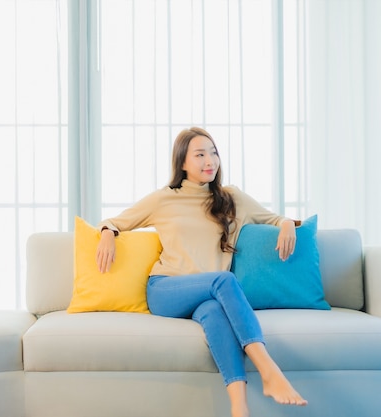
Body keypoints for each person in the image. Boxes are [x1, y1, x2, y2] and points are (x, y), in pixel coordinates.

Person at [95, 127, 308, 417]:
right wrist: (108, 232)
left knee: (214, 313)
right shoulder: (163, 199)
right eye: (199, 154)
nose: (210, 160)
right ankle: (268, 370)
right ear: (182, 163)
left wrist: (285, 224)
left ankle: (239, 407)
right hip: (166, 290)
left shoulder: (233, 198)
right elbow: (116, 221)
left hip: (208, 296)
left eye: (213, 152)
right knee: (224, 280)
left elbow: (274, 218)